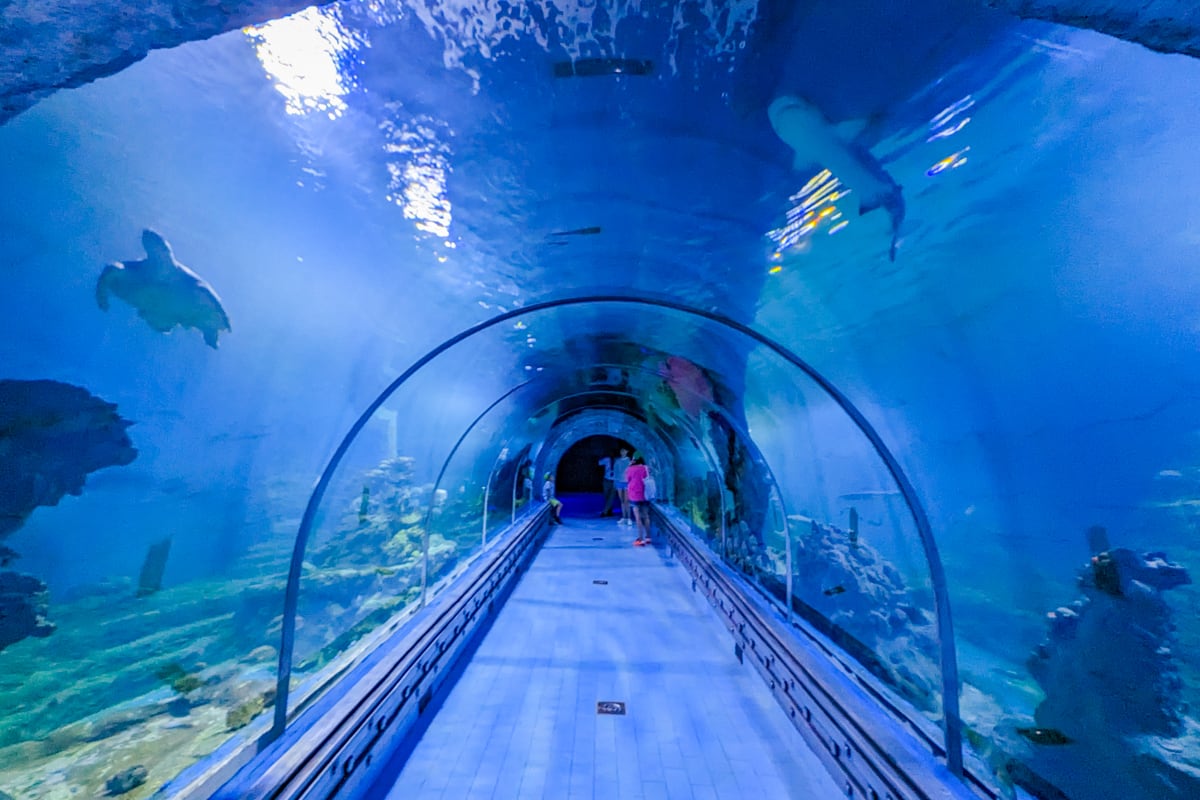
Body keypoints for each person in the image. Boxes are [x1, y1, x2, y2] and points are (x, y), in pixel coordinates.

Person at [625, 455, 652, 545]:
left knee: (638, 517)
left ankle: (640, 539)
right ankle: (648, 537)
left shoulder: (630, 469)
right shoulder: (646, 468)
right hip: (645, 494)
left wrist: (629, 466)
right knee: (646, 515)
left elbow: (627, 479)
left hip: (634, 494)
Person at [612, 448, 632, 526]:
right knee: (622, 501)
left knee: (627, 501)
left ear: (627, 452)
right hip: (619, 482)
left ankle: (629, 518)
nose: (622, 452)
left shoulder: (629, 461)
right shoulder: (617, 461)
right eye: (621, 451)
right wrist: (614, 482)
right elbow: (615, 471)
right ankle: (624, 517)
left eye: (624, 450)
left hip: (627, 482)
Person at [598, 452, 617, 516]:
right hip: (606, 480)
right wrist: (601, 456)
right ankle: (609, 511)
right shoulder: (607, 459)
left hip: (614, 480)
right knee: (607, 497)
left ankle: (604, 512)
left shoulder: (618, 460)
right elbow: (599, 463)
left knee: (611, 497)